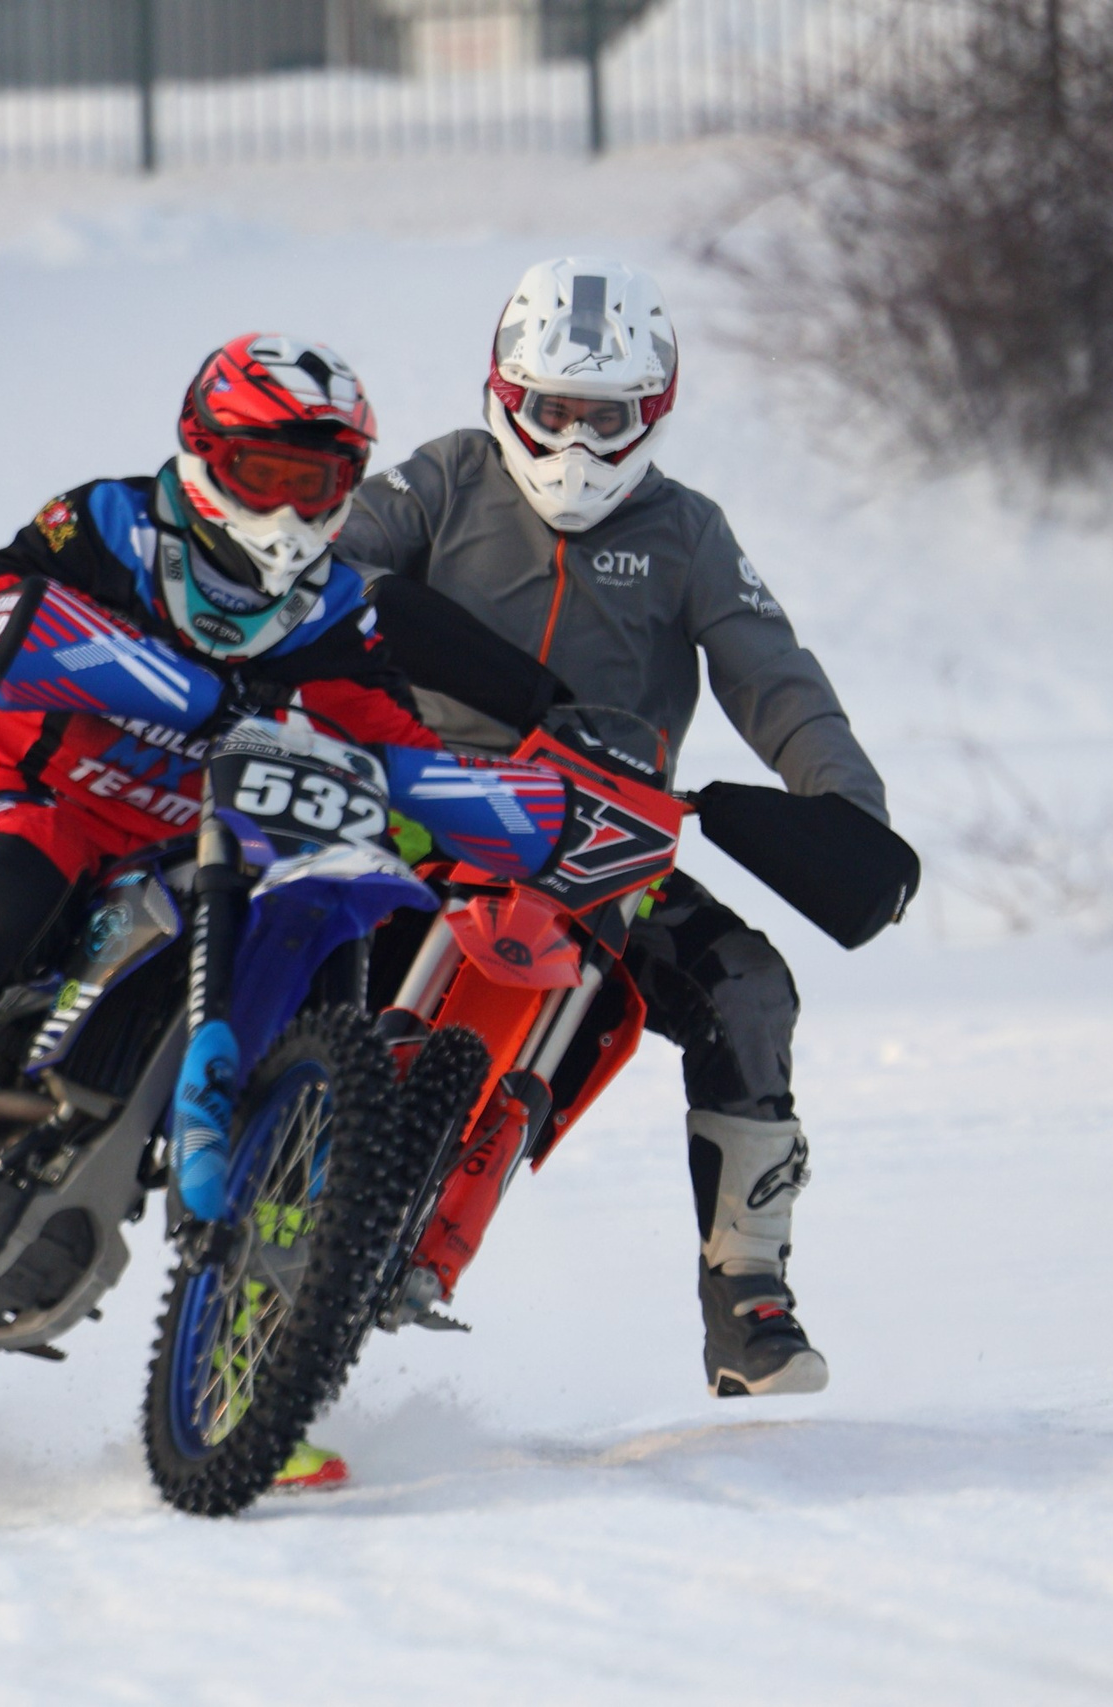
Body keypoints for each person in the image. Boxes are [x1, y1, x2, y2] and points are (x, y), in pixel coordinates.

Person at [0, 334, 578, 1485]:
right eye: (264, 474)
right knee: (10, 902)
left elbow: (395, 741)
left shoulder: (338, 611)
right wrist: (147, 678)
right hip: (35, 805)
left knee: (320, 958)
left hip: (191, 858)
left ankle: (260, 1371)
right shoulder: (104, 527)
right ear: (202, 455)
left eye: (318, 482)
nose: (290, 508)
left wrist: (517, 811)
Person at [335, 258, 894, 1399]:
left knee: (747, 986)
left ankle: (748, 1292)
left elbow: (773, 675)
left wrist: (845, 809)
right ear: (506, 393)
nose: (578, 443)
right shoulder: (439, 480)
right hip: (419, 812)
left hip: (607, 848)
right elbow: (325, 570)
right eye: (554, 411)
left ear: (655, 414)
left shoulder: (689, 532)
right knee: (283, 921)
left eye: (609, 417)